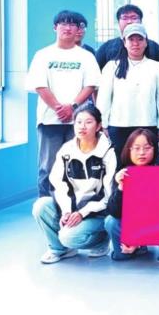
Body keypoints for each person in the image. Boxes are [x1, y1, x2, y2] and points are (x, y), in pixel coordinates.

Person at [28, 10, 101, 197]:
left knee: (77, 165)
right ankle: (46, 206)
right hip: (49, 121)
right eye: (63, 24)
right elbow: (39, 85)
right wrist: (58, 108)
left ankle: (73, 207)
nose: (67, 28)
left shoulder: (86, 56)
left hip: (79, 121)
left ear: (78, 29)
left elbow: (91, 85)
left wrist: (73, 107)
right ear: (55, 27)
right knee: (48, 166)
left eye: (72, 24)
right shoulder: (43, 55)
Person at [32, 105, 116, 263]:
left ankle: (101, 241)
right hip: (73, 207)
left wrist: (82, 213)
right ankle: (60, 249)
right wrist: (66, 211)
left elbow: (108, 196)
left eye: (88, 122)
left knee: (68, 237)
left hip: (97, 213)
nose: (82, 127)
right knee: (41, 206)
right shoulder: (66, 150)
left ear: (98, 126)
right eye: (78, 122)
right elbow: (58, 184)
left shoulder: (108, 152)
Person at [96, 22, 159, 158]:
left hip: (148, 125)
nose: (135, 43)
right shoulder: (111, 67)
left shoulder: (157, 67)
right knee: (119, 164)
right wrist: (103, 125)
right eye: (131, 39)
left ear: (146, 42)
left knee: (146, 164)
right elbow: (104, 99)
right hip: (118, 126)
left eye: (140, 39)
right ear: (124, 42)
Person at [105, 128, 159, 261]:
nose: (142, 153)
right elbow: (114, 212)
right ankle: (135, 247)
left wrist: (139, 240)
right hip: (133, 223)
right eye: (136, 148)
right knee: (111, 222)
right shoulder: (123, 173)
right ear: (129, 150)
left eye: (147, 148)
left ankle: (141, 244)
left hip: (158, 223)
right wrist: (121, 187)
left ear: (155, 149)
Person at [95, 4, 159, 70]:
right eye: (125, 18)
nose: (129, 21)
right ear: (118, 22)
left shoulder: (154, 47)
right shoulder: (107, 47)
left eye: (134, 18)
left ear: (141, 21)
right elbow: (96, 73)